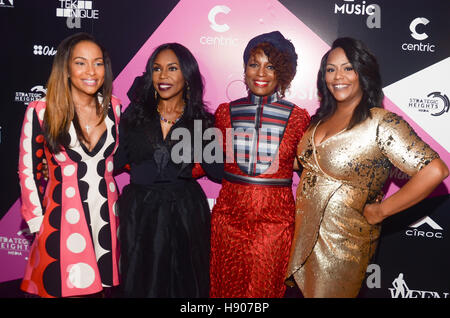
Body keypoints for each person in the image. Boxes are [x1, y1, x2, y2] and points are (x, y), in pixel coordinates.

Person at [285, 37, 449, 298]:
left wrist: (382, 210)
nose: (338, 76)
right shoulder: (318, 121)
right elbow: (302, 164)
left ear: (363, 72)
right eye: (330, 69)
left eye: (348, 67)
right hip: (301, 244)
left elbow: (435, 170)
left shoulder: (380, 123)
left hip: (342, 248)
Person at [18, 32, 121, 298]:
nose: (91, 71)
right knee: (64, 287)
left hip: (106, 219)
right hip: (61, 220)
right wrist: (38, 222)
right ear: (65, 68)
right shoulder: (42, 110)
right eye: (80, 62)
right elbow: (28, 170)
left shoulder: (116, 108)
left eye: (98, 63)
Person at [210, 31, 311, 298]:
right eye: (254, 64)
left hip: (275, 222)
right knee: (226, 291)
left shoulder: (299, 118)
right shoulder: (224, 112)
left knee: (265, 292)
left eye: (271, 66)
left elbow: (308, 169)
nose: (261, 73)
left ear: (283, 73)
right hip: (228, 218)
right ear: (244, 68)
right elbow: (206, 163)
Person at [114, 43, 217, 298]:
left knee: (185, 285)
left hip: (185, 212)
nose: (163, 76)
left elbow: (216, 170)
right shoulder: (134, 116)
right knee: (139, 284)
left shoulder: (201, 120)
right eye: (157, 69)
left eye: (172, 68)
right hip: (140, 213)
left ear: (187, 75)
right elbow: (114, 163)